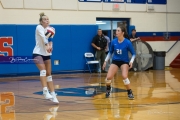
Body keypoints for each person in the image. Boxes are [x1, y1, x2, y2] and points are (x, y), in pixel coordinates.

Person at [102, 25, 136, 100]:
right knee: (108, 77)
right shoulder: (113, 41)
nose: (116, 32)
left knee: (124, 76)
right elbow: (110, 52)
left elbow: (134, 53)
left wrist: (131, 61)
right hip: (115, 61)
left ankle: (129, 92)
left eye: (118, 31)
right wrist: (105, 61)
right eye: (116, 30)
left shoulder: (127, 42)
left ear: (122, 33)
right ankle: (108, 88)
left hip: (124, 61)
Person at [32, 12, 59, 103]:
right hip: (37, 53)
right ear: (41, 21)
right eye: (44, 19)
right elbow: (44, 38)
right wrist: (47, 44)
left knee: (49, 75)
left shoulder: (51, 29)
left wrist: (50, 47)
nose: (46, 20)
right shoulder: (39, 27)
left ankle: (53, 94)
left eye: (47, 19)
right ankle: (45, 91)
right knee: (43, 71)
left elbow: (50, 41)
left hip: (46, 54)